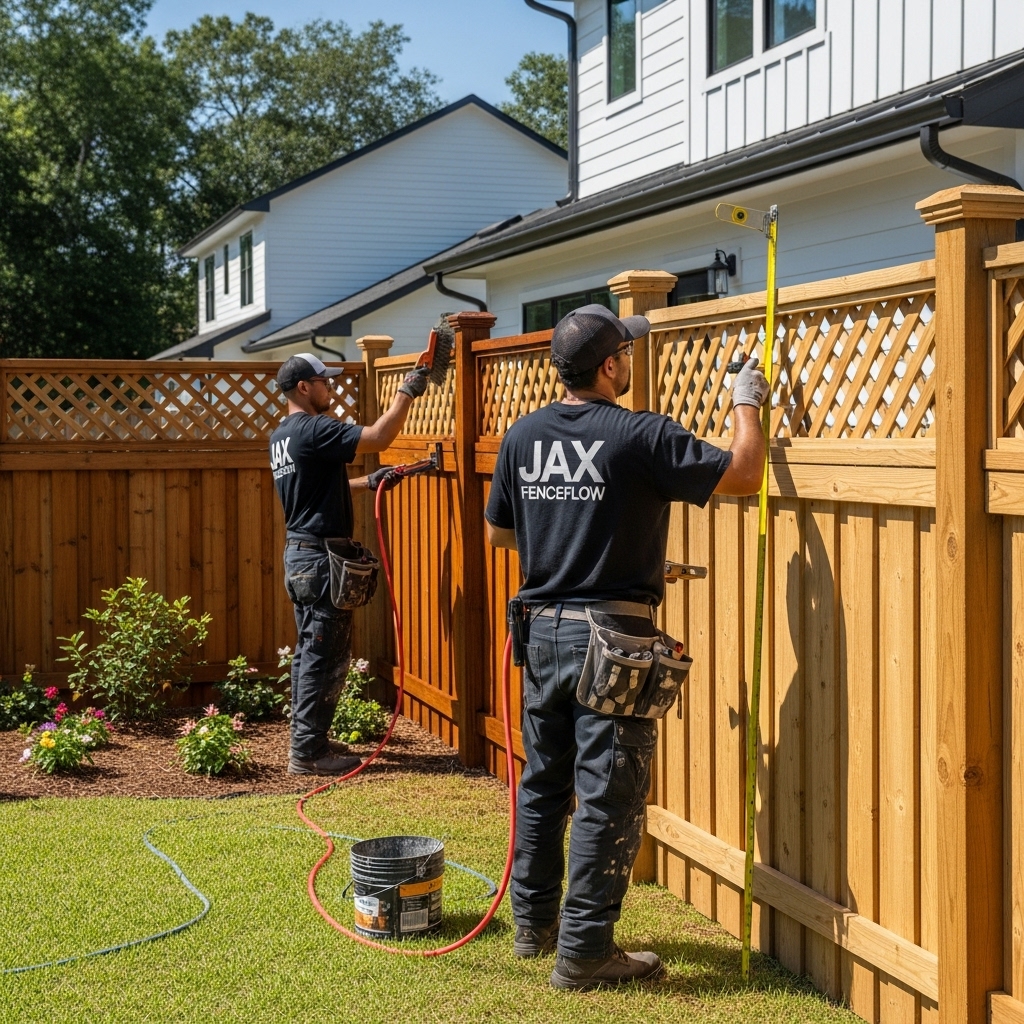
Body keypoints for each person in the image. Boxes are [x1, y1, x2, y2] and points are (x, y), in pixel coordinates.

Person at [484, 304, 768, 991]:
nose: (631, 361)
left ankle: (535, 927)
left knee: (544, 782)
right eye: (627, 353)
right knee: (608, 794)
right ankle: (584, 955)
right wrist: (745, 402)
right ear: (609, 365)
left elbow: (501, 536)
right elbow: (743, 473)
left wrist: (590, 550)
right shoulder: (638, 434)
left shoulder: (522, 436)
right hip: (609, 638)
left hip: (543, 631)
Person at [271, 352, 428, 776]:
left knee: (310, 653)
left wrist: (370, 481)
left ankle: (311, 739)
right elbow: (378, 437)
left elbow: (317, 491)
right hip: (320, 560)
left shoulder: (283, 435)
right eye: (325, 380)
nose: (331, 387)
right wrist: (406, 392)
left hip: (302, 556)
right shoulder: (312, 428)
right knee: (324, 655)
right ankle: (308, 755)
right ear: (304, 387)